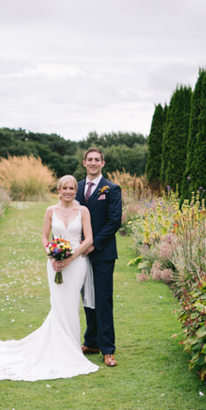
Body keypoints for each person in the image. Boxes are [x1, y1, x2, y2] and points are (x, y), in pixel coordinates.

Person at [0, 175, 99, 381]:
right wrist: (51, 255)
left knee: (71, 303)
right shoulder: (50, 210)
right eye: (65, 188)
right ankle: (58, 346)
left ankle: (71, 347)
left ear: (76, 190)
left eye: (72, 188)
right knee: (58, 303)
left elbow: (89, 238)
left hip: (76, 264)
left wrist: (71, 257)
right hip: (55, 262)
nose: (68, 191)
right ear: (59, 190)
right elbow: (44, 236)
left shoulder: (83, 210)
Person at [76, 147, 122, 367]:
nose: (93, 163)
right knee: (87, 299)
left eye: (97, 160)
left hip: (102, 253)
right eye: (90, 159)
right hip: (79, 254)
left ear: (103, 163)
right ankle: (91, 341)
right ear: (84, 163)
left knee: (103, 300)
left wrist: (93, 243)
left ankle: (108, 349)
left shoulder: (112, 189)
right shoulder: (76, 188)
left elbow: (114, 221)